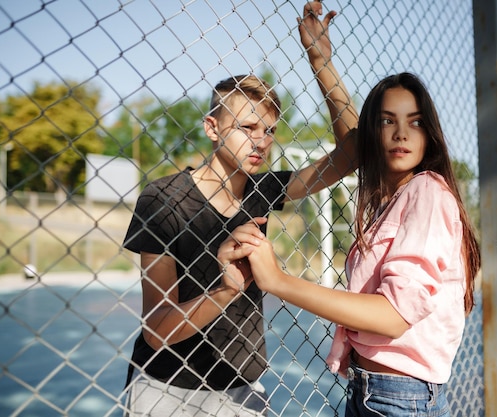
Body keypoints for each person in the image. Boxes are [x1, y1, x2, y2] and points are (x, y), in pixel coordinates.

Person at [121, 2, 358, 416]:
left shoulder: (263, 189)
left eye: (268, 130)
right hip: (166, 388)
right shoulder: (163, 199)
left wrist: (321, 62)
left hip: (242, 387)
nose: (261, 141)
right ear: (212, 128)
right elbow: (157, 330)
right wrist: (227, 290)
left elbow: (352, 154)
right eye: (247, 128)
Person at [224, 72, 481, 416]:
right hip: (375, 391)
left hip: (400, 399)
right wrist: (320, 61)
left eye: (415, 122)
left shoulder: (427, 192)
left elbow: (394, 316)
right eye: (386, 121)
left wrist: (279, 281)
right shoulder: (392, 200)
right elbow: (351, 146)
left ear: (429, 134)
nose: (401, 133)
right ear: (371, 134)